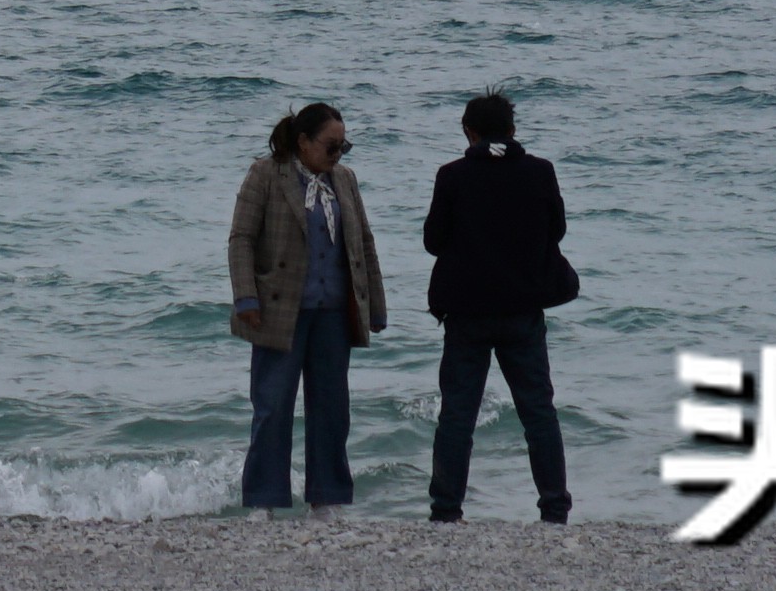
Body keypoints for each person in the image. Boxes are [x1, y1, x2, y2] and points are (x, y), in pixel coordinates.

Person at [417, 91, 573, 524]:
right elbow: (556, 230)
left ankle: (446, 510)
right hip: (523, 311)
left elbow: (433, 241)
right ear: (513, 130)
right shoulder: (541, 172)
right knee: (538, 412)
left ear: (469, 132)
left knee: (458, 416)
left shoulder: (452, 176)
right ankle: (554, 508)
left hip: (467, 313)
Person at [227, 102, 382, 513]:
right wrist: (246, 297)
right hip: (280, 311)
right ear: (303, 142)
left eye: (343, 147)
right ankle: (264, 501)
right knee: (273, 407)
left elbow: (363, 244)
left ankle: (327, 500)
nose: (337, 155)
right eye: (331, 147)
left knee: (332, 411)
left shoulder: (344, 180)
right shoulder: (266, 174)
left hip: (333, 313)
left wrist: (375, 308)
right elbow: (241, 237)